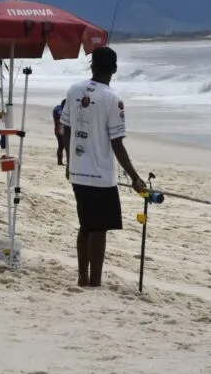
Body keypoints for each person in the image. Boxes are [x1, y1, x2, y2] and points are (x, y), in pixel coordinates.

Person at [61, 46, 147, 288]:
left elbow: (65, 127)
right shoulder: (112, 99)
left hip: (77, 172)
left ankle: (82, 277)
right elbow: (117, 143)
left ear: (92, 65)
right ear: (115, 69)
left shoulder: (74, 90)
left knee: (86, 225)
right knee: (98, 229)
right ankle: (94, 282)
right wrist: (135, 177)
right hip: (100, 175)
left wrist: (69, 159)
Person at [53, 99, 67, 166]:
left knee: (62, 145)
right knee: (62, 145)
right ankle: (60, 162)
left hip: (59, 129)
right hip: (60, 129)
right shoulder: (59, 109)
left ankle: (61, 161)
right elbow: (61, 116)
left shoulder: (58, 108)